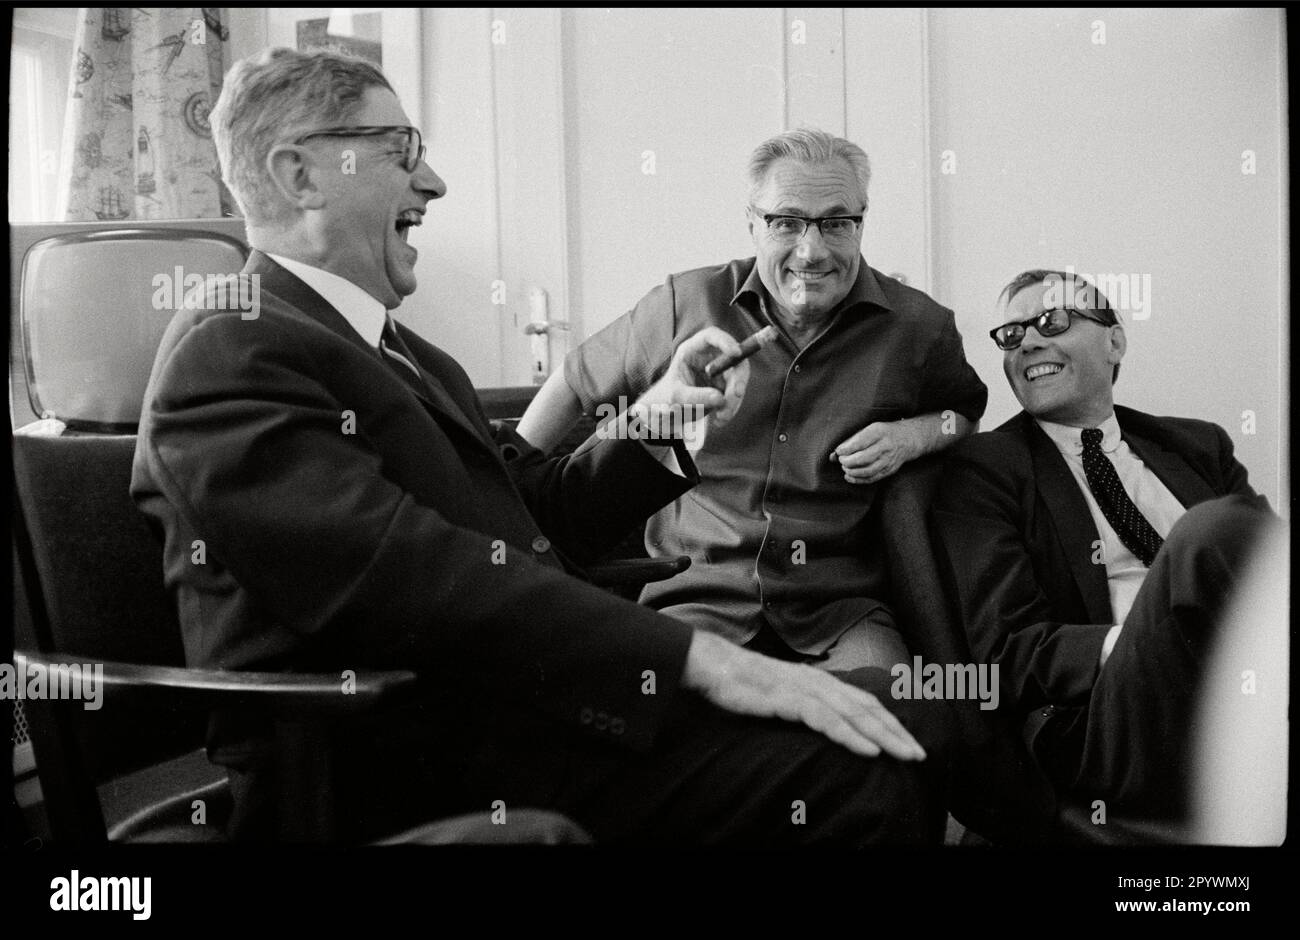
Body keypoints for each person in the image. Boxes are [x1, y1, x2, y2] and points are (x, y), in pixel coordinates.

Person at [130, 47, 951, 845]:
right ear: (299, 173)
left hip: (521, 718)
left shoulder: (406, 354)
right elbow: (406, 573)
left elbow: (533, 511)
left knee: (899, 711)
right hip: (400, 759)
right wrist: (707, 661)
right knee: (866, 765)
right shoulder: (232, 344)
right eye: (400, 149)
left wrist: (656, 420)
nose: (433, 180)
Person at [518, 128, 987, 672]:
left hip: (838, 608)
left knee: (887, 719)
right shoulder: (686, 303)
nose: (811, 252)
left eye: (836, 223)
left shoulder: (919, 326)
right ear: (752, 223)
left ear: (861, 223)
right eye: (786, 222)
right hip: (696, 595)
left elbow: (966, 415)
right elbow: (575, 382)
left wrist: (913, 435)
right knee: (662, 723)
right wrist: (504, 494)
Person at [931, 268, 1279, 825]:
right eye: (1012, 335)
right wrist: (1146, 643)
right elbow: (1007, 653)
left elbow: (1269, 571)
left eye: (1052, 320)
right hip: (1101, 717)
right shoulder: (985, 471)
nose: (1031, 341)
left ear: (1115, 340)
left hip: (1241, 678)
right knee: (1205, 535)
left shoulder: (1198, 445)